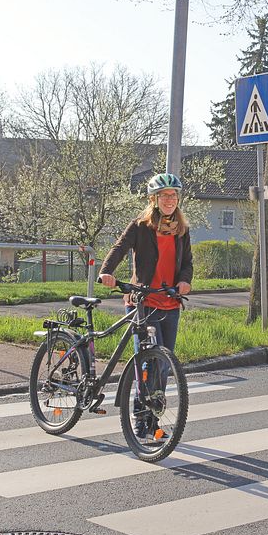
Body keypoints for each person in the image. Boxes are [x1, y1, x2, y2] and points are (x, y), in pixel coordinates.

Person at [98, 172, 193, 438]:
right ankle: (142, 420)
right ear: (154, 199)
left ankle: (153, 416)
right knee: (148, 362)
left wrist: (185, 281)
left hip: (169, 301)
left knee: (164, 363)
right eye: (164, 196)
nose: (170, 200)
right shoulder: (140, 226)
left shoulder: (181, 231)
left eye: (173, 195)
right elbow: (119, 248)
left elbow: (187, 264)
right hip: (142, 300)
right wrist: (107, 272)